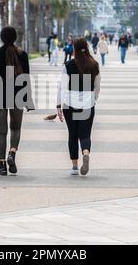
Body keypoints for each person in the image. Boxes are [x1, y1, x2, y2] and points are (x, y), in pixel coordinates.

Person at [0, 26, 34, 176]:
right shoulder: (23, 55)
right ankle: (12, 153)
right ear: (15, 38)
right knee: (16, 129)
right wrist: (28, 99)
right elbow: (26, 79)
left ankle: (2, 166)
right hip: (18, 95)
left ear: (1, 37)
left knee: (1, 132)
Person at [56, 38, 101, 176]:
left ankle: (75, 166)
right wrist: (93, 99)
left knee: (73, 134)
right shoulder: (94, 65)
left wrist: (59, 104)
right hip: (87, 104)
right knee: (85, 133)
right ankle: (85, 153)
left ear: (74, 49)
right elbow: (97, 86)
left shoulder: (68, 65)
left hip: (70, 104)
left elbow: (62, 87)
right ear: (86, 48)